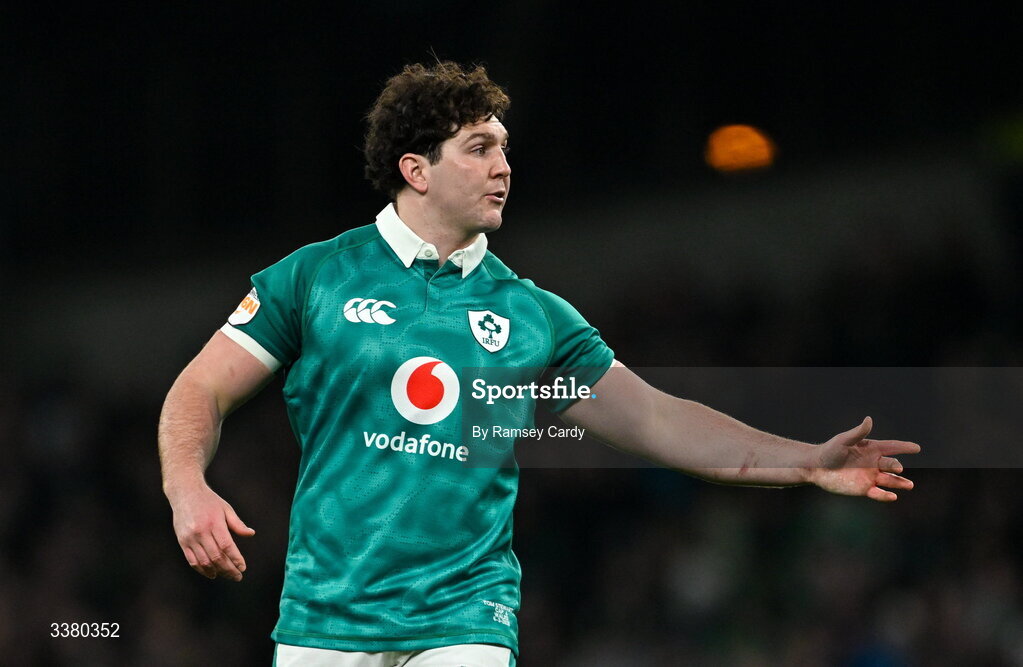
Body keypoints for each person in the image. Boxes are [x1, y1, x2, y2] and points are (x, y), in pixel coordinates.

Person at [158, 61, 919, 667]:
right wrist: (187, 484)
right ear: (416, 169)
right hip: (325, 614)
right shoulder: (315, 277)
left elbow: (654, 418)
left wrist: (804, 462)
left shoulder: (534, 316)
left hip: (464, 615)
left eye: (505, 148)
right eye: (479, 148)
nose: (503, 167)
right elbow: (200, 387)